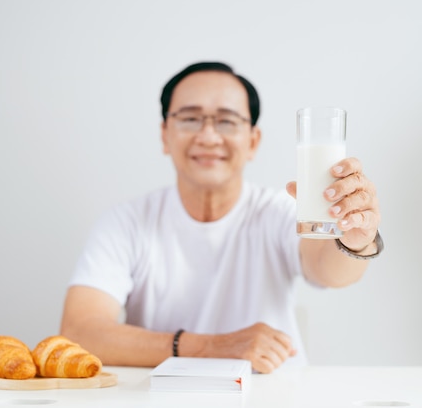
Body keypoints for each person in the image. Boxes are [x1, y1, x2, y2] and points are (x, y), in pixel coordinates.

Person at [60, 61, 382, 374]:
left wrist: (357, 239)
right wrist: (214, 348)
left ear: (253, 141)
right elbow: (79, 331)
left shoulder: (278, 212)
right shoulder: (126, 222)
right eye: (190, 119)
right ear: (164, 135)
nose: (209, 137)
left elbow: (330, 271)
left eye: (227, 121)